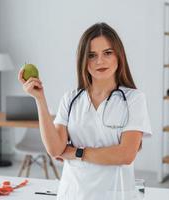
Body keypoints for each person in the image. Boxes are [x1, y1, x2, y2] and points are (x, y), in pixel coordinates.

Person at [18, 22, 152, 200]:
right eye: (92, 55)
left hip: (114, 194)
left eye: (107, 53)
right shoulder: (71, 99)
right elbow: (55, 148)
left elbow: (126, 154)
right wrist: (40, 99)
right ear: (84, 60)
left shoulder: (134, 99)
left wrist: (76, 152)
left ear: (118, 56)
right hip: (73, 193)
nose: (100, 61)